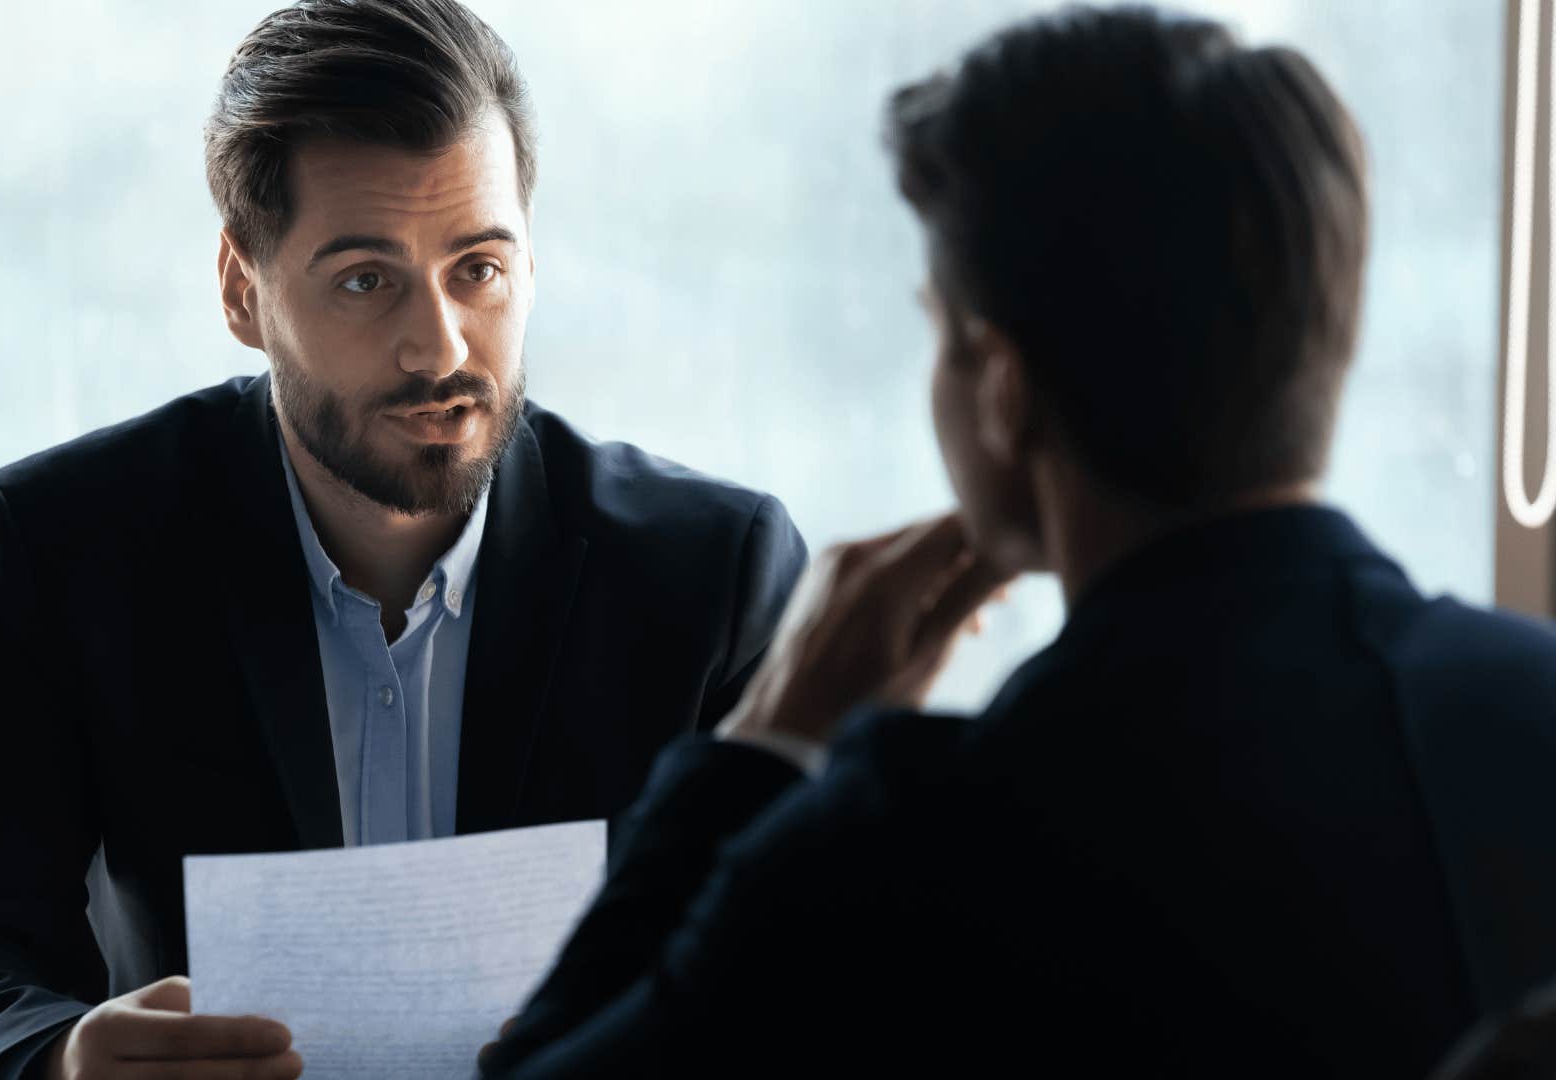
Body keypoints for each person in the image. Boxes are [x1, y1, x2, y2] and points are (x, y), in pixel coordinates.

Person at [480, 6, 1556, 1077]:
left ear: (1001, 387)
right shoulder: (1528, 709)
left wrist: (768, 743)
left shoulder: (906, 850)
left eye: (940, 332)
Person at [0, 2, 806, 1077]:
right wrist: (59, 1061)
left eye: (477, 268)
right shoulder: (64, 550)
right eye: (364, 279)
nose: (437, 346)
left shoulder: (714, 575)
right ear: (242, 292)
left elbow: (829, 972)